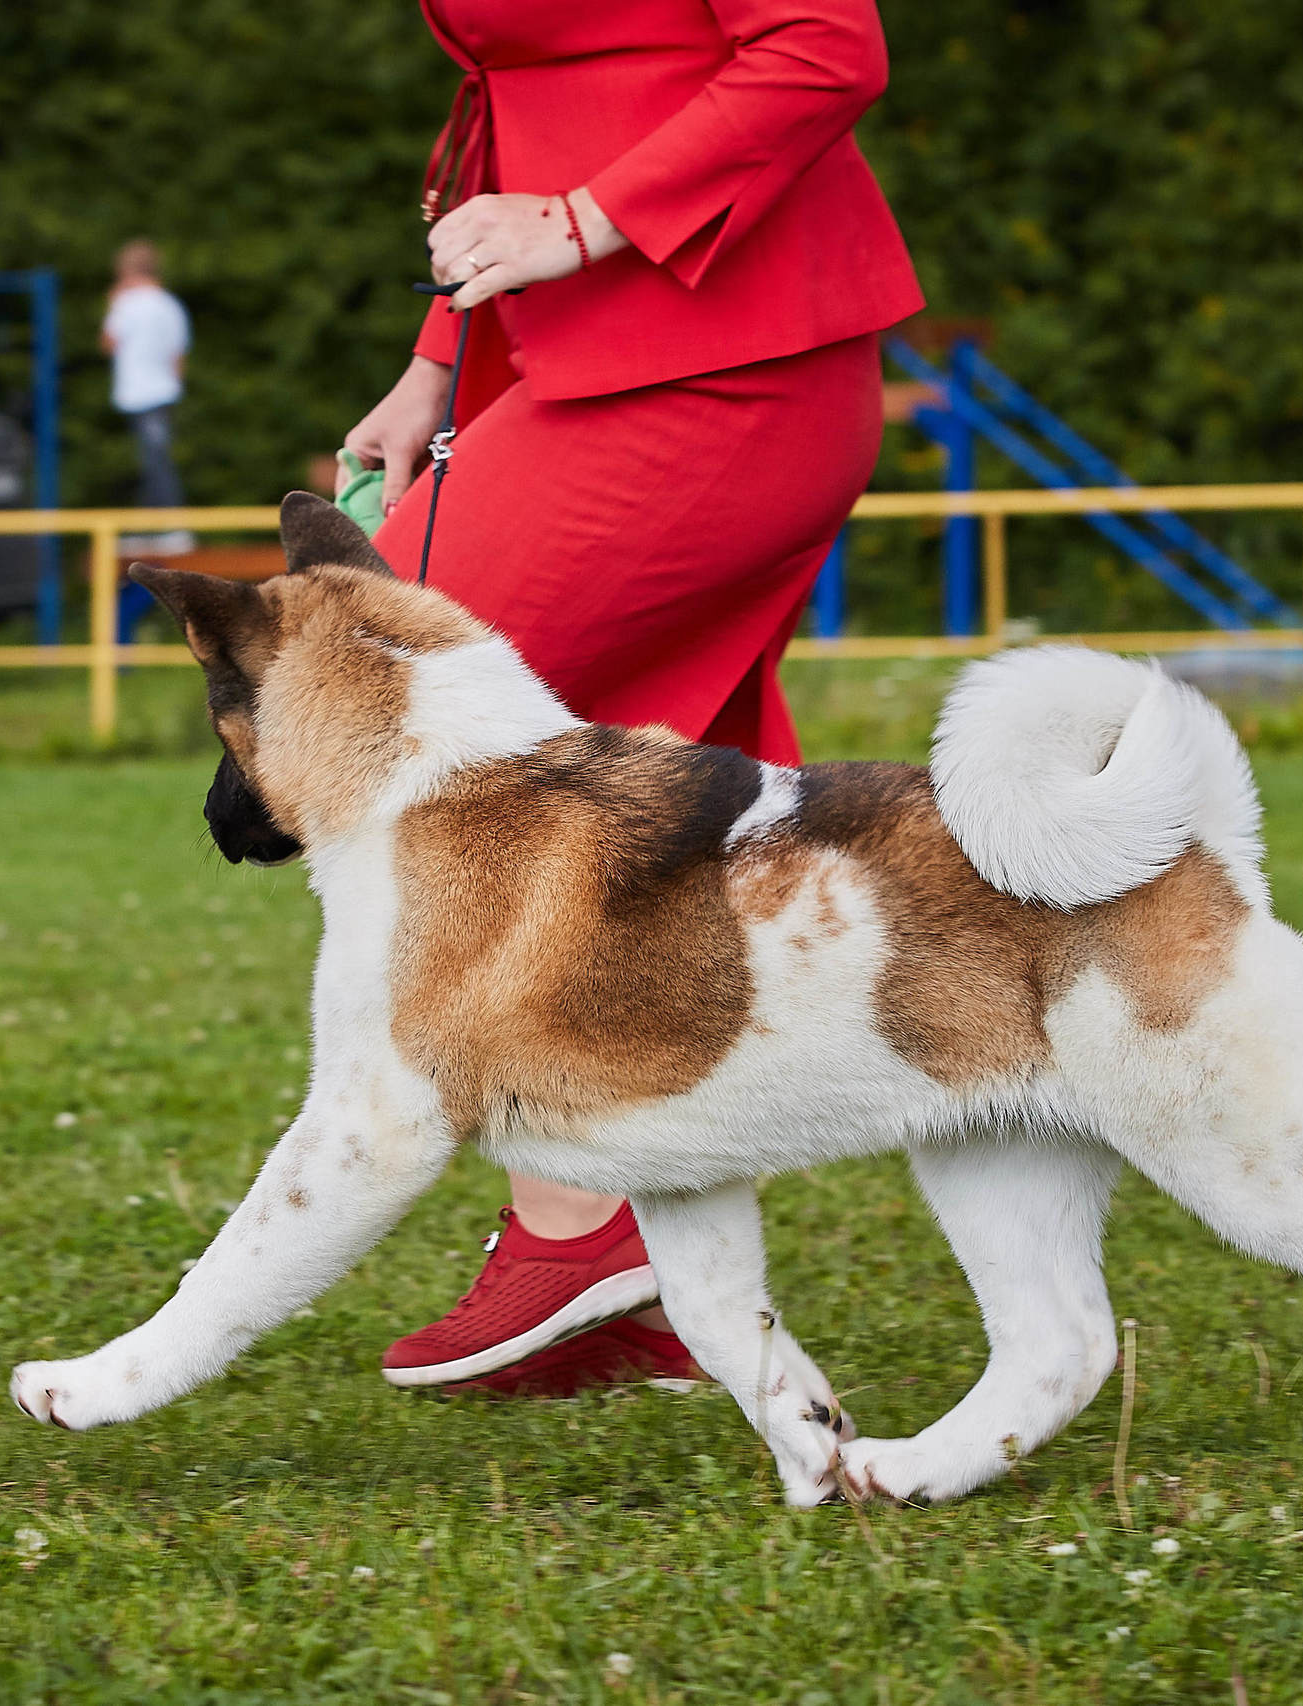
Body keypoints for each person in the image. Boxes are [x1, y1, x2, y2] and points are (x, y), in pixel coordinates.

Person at [340, 0, 922, 1397]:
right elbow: (505, 107)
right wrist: (438, 361)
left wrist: (588, 219)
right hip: (608, 349)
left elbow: (824, 45)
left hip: (723, 358)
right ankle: (626, 1250)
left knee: (386, 699)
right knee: (654, 828)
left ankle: (589, 1222)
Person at [102, 241, 193, 553]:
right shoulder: (170, 305)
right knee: (155, 461)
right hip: (163, 392)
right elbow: (178, 354)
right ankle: (160, 529)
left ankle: (170, 530)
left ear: (127, 272)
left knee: (155, 463)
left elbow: (109, 343)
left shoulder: (125, 304)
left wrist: (112, 303)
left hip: (138, 394)